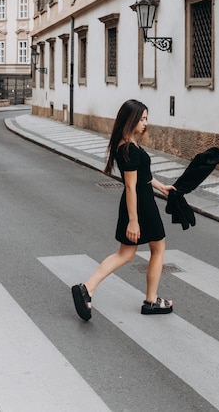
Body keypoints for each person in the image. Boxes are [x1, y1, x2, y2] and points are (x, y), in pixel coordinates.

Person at [72, 99, 176, 321]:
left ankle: (87, 288)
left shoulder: (127, 144)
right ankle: (151, 300)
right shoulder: (128, 149)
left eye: (146, 118)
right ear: (130, 120)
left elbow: (143, 177)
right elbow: (130, 186)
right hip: (141, 206)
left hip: (140, 201)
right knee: (158, 249)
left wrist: (161, 186)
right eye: (141, 119)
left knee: (126, 253)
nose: (145, 123)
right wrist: (134, 221)